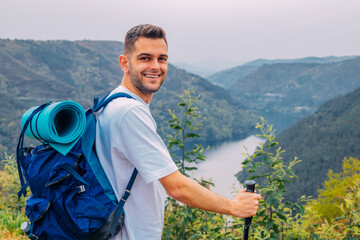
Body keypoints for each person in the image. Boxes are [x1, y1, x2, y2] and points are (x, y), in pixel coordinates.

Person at [96, 24, 261, 240]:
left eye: (162, 59)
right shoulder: (130, 113)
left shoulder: (112, 102)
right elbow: (177, 187)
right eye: (145, 58)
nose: (155, 66)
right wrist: (233, 207)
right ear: (124, 63)